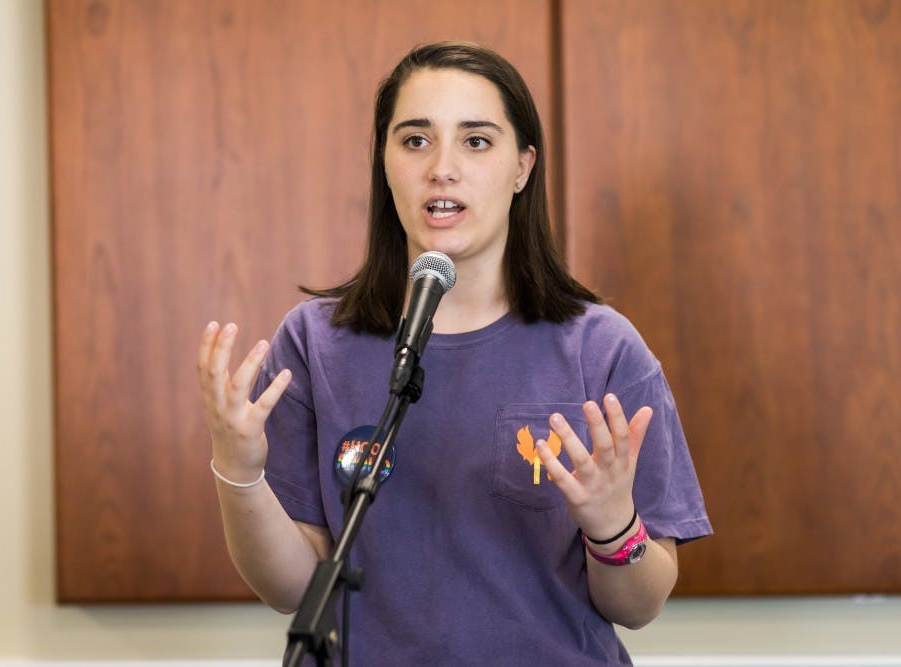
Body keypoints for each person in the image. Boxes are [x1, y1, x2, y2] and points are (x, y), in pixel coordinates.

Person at [197, 41, 711, 666]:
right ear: (384, 163)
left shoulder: (602, 348)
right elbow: (291, 590)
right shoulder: (314, 343)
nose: (442, 168)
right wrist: (238, 470)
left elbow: (640, 605)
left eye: (476, 141)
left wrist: (613, 527)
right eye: (416, 140)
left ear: (522, 167)